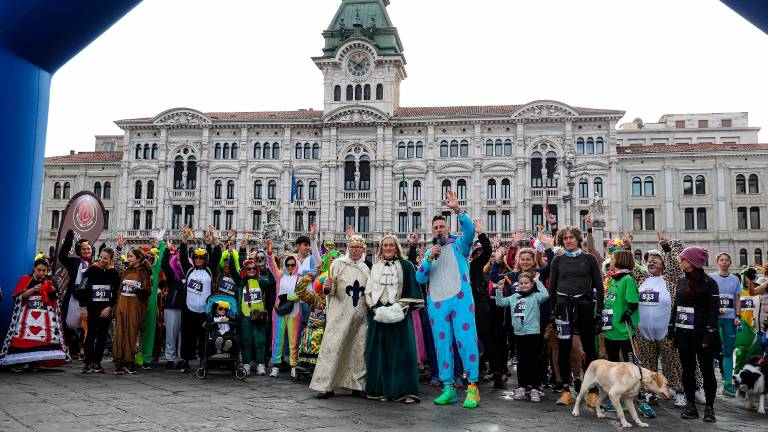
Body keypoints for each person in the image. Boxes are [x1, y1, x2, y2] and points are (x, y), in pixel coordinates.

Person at [415, 190, 481, 409]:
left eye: (442, 226)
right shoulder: (429, 252)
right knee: (442, 345)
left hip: (461, 300)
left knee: (466, 341)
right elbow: (419, 277)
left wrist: (457, 209)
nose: (439, 230)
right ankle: (448, 388)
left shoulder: (460, 244)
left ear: (448, 228)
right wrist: (429, 259)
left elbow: (470, 231)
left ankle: (472, 386)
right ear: (431, 231)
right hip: (437, 304)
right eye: (435, 228)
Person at [365, 234, 424, 403]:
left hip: (399, 315)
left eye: (391, 245)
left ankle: (405, 391)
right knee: (380, 353)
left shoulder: (406, 266)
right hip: (378, 315)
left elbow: (412, 290)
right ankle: (382, 390)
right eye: (385, 245)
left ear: (396, 247)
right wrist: (374, 308)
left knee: (402, 353)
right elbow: (368, 291)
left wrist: (398, 308)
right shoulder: (375, 267)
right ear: (381, 248)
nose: (388, 248)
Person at [633, 231, 689, 408]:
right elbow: (627, 265)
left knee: (673, 363)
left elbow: (674, 264)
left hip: (667, 331)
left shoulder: (671, 279)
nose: (651, 261)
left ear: (664, 263)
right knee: (647, 365)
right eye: (649, 258)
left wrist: (665, 246)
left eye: (656, 258)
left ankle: (679, 391)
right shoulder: (641, 278)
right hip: (644, 332)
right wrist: (625, 246)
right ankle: (651, 393)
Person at [310, 235, 370, 399]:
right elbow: (329, 289)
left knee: (358, 350)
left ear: (363, 249)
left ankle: (357, 385)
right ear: (348, 248)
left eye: (358, 247)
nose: (355, 250)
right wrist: (328, 288)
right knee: (332, 349)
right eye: (352, 247)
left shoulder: (367, 268)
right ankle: (325, 386)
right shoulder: (337, 265)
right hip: (339, 315)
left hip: (360, 317)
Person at [549, 225, 603, 406]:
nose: (568, 241)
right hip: (563, 308)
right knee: (564, 350)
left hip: (585, 307)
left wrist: (600, 313)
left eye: (571, 237)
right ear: (561, 241)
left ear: (578, 239)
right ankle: (566, 390)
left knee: (590, 350)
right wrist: (552, 311)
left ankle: (593, 392)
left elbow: (599, 287)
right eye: (565, 238)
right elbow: (552, 287)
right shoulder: (557, 260)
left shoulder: (589, 259)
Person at [672, 246, 719, 422]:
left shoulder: (709, 283)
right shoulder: (681, 281)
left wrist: (709, 335)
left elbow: (713, 313)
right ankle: (690, 405)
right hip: (684, 334)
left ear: (692, 262)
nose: (680, 261)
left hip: (703, 334)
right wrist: (672, 327)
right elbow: (677, 307)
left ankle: (709, 408)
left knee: (707, 371)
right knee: (687, 371)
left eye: (683, 258)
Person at [0, 257, 69, 371]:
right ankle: (20, 362)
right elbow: (19, 297)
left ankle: (36, 361)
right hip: (26, 315)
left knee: (42, 338)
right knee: (23, 337)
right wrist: (33, 289)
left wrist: (51, 290)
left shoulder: (50, 280)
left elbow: (55, 299)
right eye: (39, 270)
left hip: (45, 316)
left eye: (44, 270)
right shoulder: (25, 279)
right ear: (34, 268)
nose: (41, 273)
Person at [495, 271, 549, 402]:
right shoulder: (514, 297)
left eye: (526, 283)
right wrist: (499, 290)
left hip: (533, 333)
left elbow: (546, 295)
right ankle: (521, 386)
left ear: (531, 284)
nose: (524, 285)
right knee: (522, 361)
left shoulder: (536, 296)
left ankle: (535, 388)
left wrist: (537, 281)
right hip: (519, 333)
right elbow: (500, 303)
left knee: (534, 361)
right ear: (518, 285)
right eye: (521, 283)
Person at [177, 225, 222, 373]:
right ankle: (185, 360)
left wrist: (214, 241)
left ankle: (204, 359)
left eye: (201, 257)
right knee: (187, 335)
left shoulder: (210, 269)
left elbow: (217, 256)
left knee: (204, 336)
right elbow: (182, 256)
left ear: (205, 259)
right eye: (196, 257)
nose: (198, 259)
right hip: (189, 308)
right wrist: (184, 240)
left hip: (204, 310)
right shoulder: (189, 269)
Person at [76, 247, 121, 374]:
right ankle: (87, 363)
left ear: (111, 259)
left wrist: (110, 307)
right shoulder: (91, 270)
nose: (102, 260)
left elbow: (116, 292)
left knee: (102, 336)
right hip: (91, 308)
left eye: (105, 258)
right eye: (101, 257)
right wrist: (83, 306)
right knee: (90, 336)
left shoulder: (113, 273)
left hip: (105, 309)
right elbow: (82, 289)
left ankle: (97, 362)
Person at [266, 239, 302, 378]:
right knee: (277, 340)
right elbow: (271, 265)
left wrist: (287, 297)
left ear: (296, 265)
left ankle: (293, 366)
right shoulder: (280, 276)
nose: (290, 267)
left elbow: (301, 295)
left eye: (293, 265)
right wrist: (269, 252)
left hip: (294, 313)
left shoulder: (300, 279)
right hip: (279, 313)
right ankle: (276, 366)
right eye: (288, 264)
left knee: (293, 341)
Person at [112, 248, 152, 375]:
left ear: (138, 259)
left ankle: (129, 362)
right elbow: (119, 289)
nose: (128, 258)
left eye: (131, 256)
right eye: (128, 256)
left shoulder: (144, 273)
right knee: (119, 333)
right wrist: (117, 305)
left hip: (134, 307)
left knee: (131, 334)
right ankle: (119, 362)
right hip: (122, 306)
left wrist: (141, 292)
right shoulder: (125, 271)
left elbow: (147, 291)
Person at [58, 229, 96, 358]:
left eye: (88, 249)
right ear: (79, 251)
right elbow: (62, 256)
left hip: (90, 299)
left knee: (88, 324)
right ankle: (69, 348)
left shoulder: (96, 264)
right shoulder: (74, 262)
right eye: (83, 249)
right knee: (70, 323)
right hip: (74, 298)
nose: (86, 251)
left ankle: (84, 348)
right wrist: (69, 238)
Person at [709, 252, 741, 397]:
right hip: (715, 318)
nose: (724, 262)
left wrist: (738, 316)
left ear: (730, 262)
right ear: (717, 263)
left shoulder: (735, 279)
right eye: (721, 260)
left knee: (728, 351)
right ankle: (708, 383)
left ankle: (728, 384)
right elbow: (707, 298)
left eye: (726, 260)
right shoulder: (711, 278)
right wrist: (716, 308)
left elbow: (737, 299)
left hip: (730, 319)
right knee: (710, 351)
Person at [160, 243, 186, 370]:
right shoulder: (172, 276)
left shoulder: (190, 274)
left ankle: (182, 358)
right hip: (172, 307)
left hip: (186, 308)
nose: (180, 262)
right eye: (178, 260)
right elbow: (164, 264)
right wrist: (166, 249)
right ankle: (170, 358)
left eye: (183, 260)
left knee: (184, 335)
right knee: (171, 333)